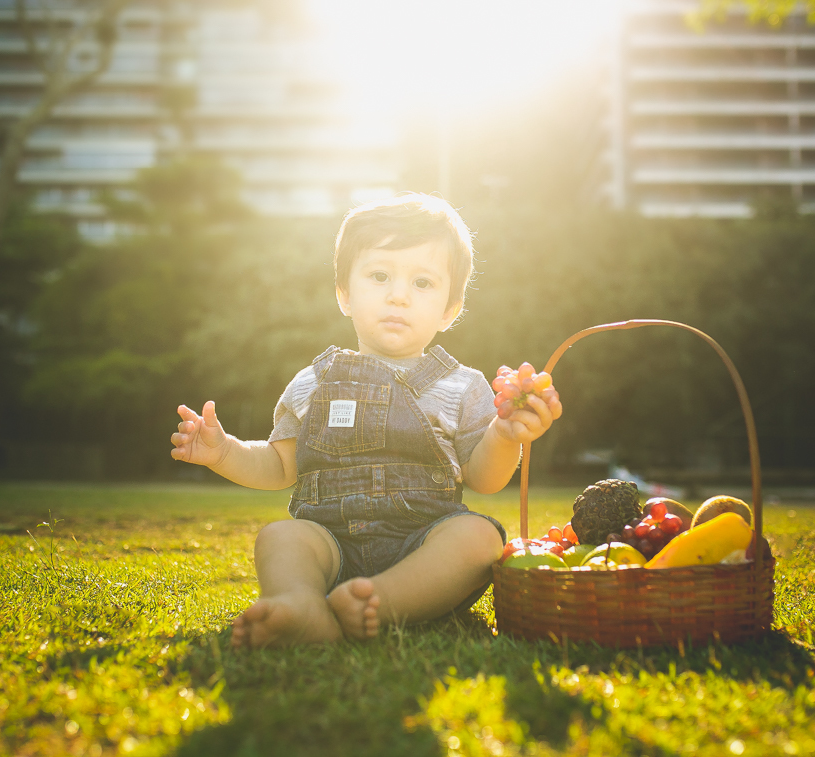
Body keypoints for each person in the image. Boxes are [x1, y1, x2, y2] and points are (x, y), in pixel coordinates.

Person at [170, 193, 561, 648]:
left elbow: (484, 478)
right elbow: (279, 467)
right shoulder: (311, 382)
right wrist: (226, 452)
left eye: (422, 283)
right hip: (329, 543)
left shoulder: (463, 386)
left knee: (478, 538)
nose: (398, 295)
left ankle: (382, 600)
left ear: (450, 310)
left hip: (423, 541)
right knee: (282, 537)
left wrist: (506, 433)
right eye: (379, 276)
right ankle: (299, 603)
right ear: (345, 295)